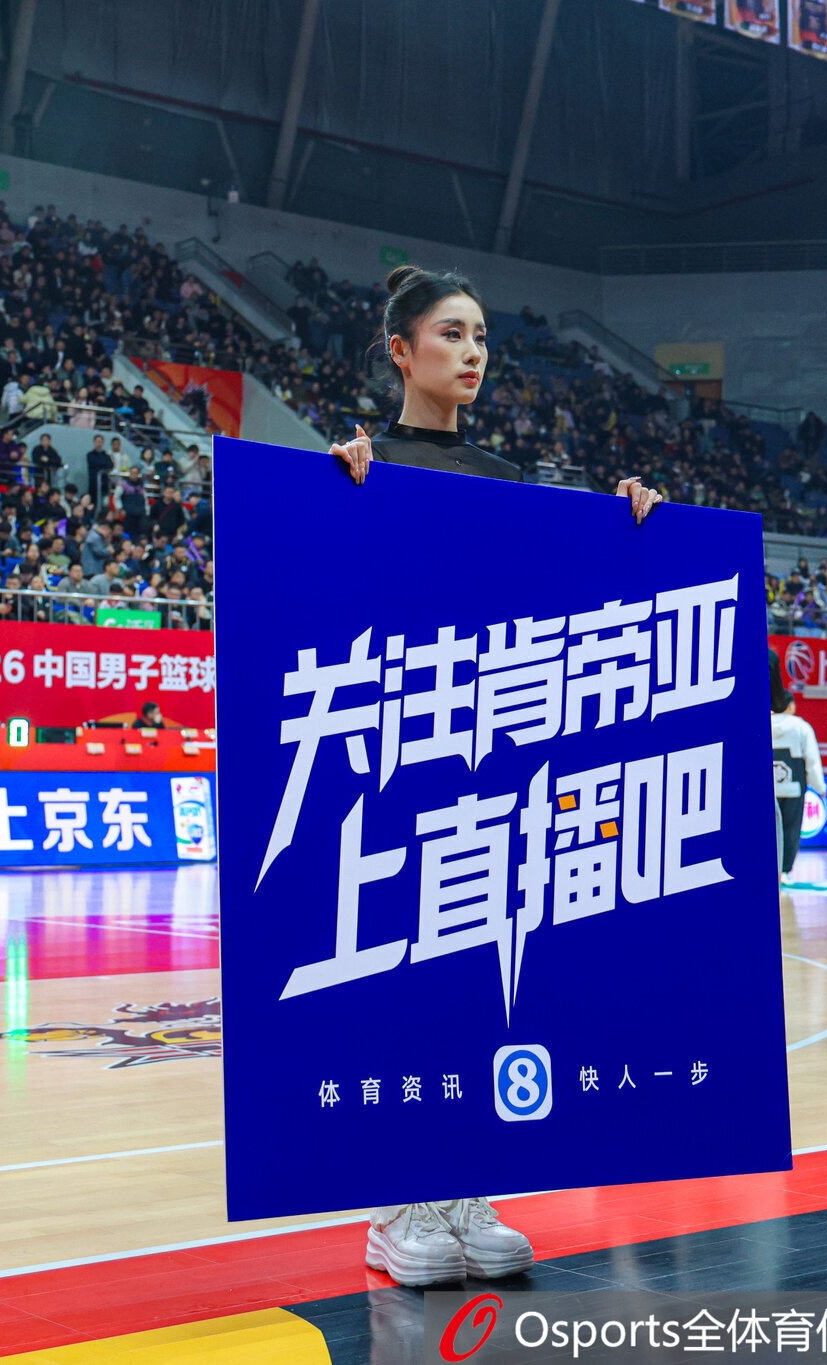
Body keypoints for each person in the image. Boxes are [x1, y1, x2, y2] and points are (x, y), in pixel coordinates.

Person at [328, 264, 660, 1290]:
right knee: (402, 968)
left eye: (480, 336)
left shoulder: (509, 478)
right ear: (400, 351)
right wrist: (334, 496)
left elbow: (554, 601)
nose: (472, 352)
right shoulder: (357, 464)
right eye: (450, 333)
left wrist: (628, 528)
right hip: (394, 752)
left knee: (483, 972)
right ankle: (399, 1206)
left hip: (491, 757)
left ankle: (465, 1190)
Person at [771, 696, 825, 875]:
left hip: (767, 790)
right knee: (790, 831)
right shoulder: (801, 727)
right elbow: (812, 760)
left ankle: (767, 869)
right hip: (793, 788)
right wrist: (820, 787)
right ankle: (785, 871)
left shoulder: (761, 724)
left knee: (767, 832)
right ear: (790, 706)